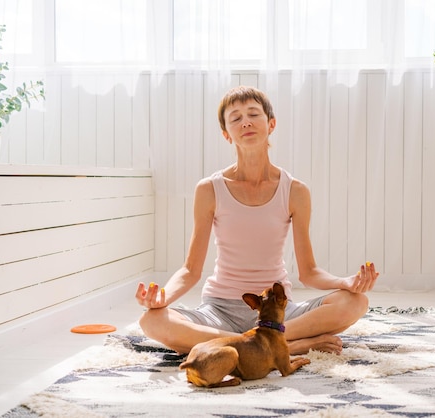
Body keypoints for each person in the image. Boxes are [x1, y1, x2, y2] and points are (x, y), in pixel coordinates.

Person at [136, 86, 379, 355]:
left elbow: (309, 272)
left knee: (355, 302)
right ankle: (283, 345)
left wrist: (345, 283)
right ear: (226, 134)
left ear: (271, 124)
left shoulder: (295, 191)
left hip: (275, 311)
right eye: (236, 118)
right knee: (152, 321)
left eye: (253, 114)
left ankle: (245, 344)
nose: (246, 122)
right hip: (220, 311)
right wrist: (162, 299)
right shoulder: (209, 189)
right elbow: (190, 270)